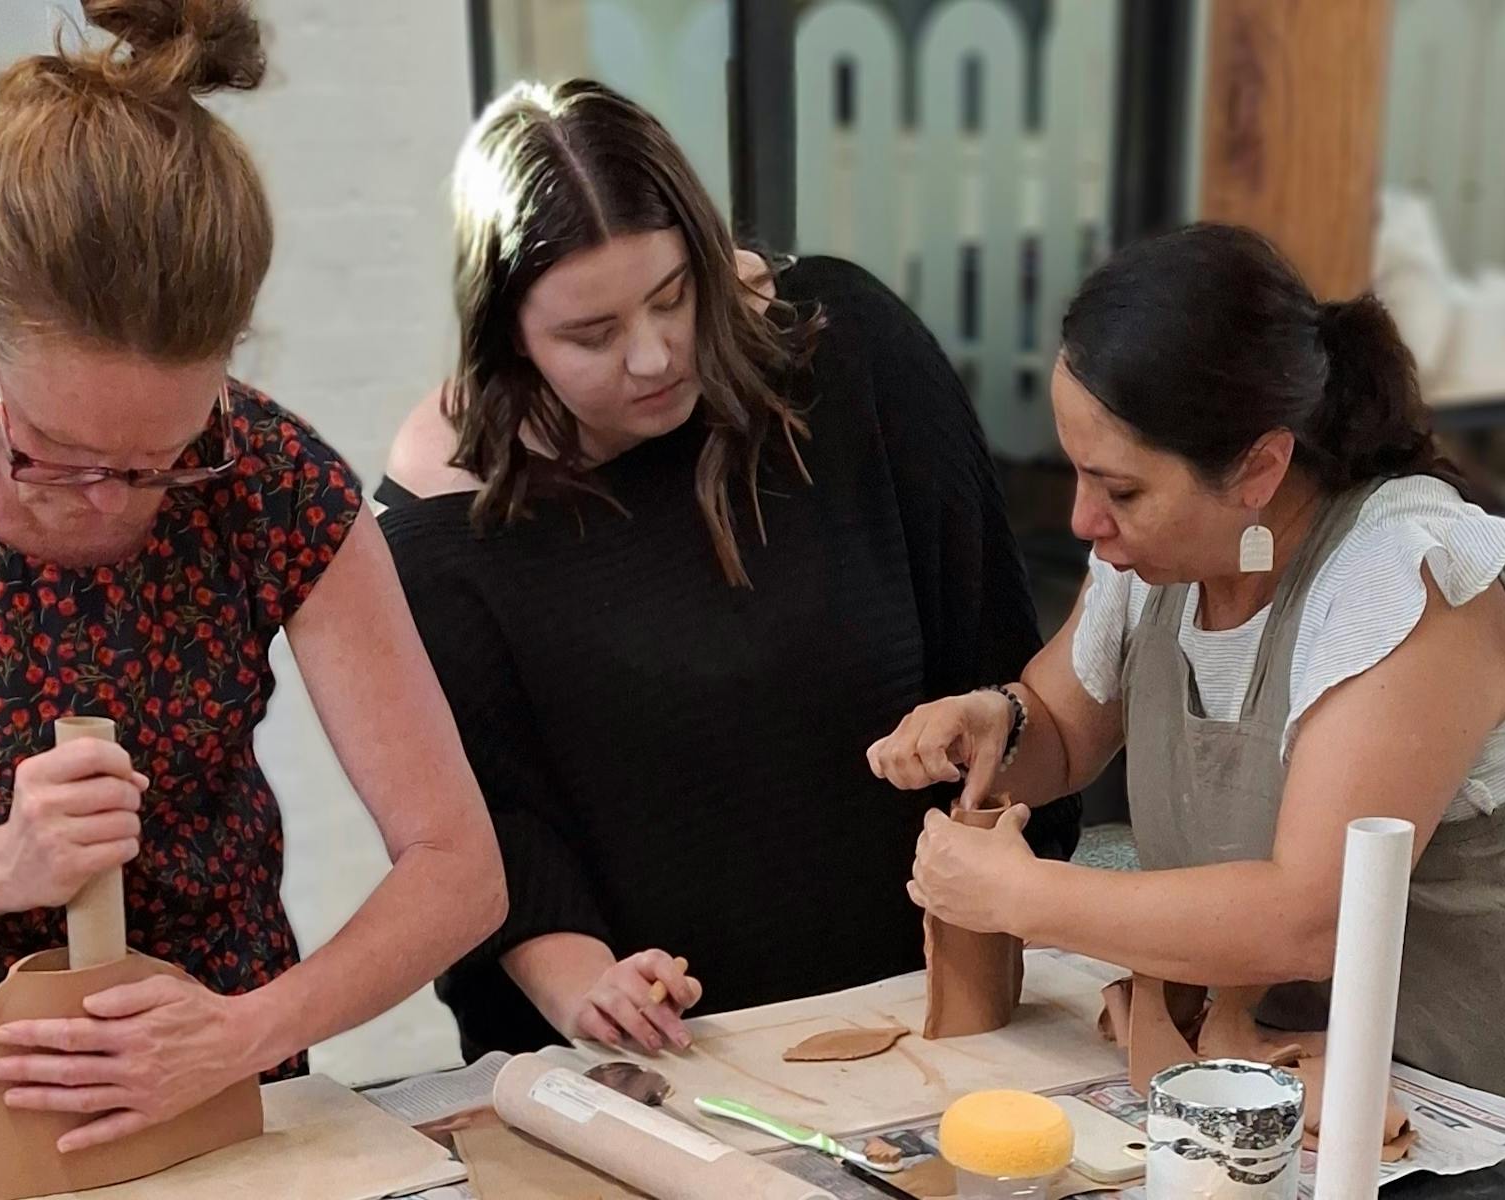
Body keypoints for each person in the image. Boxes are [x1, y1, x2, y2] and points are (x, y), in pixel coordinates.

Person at [378, 78, 1080, 1062]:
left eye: (674, 297)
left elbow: (1007, 673)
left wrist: (1012, 905)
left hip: (934, 1011)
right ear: (505, 339)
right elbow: (495, 821)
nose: (653, 356)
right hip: (663, 1063)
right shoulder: (447, 505)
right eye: (589, 335)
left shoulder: (848, 352)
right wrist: (589, 989)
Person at [870, 223, 1505, 1118]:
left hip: (1451, 1113)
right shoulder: (1157, 562)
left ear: (1258, 469)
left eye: (1121, 490)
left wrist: (1027, 897)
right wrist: (995, 720)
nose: (1085, 518)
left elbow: (1313, 916)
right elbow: (1059, 725)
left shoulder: (1411, 583)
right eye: (1079, 474)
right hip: (1245, 1079)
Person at [0, 0, 505, 1150]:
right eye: (56, 458)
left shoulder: (269, 480)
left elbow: (458, 867)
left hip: (218, 1089)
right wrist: (6, 861)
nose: (111, 501)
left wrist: (242, 1031)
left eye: (165, 461)